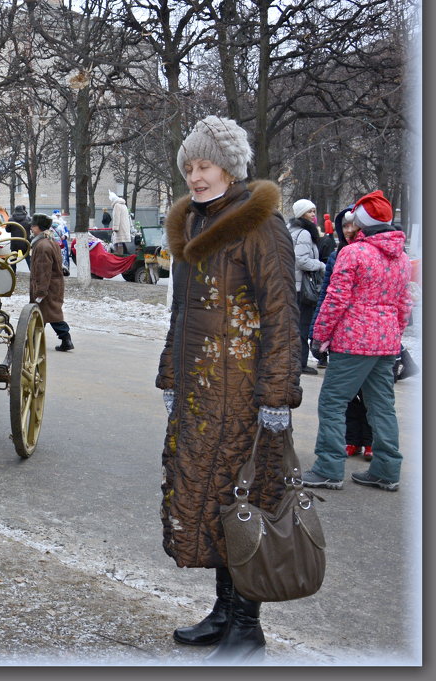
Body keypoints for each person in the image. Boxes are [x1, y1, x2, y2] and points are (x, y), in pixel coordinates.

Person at [155, 115, 303, 663]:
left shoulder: (259, 226)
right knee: (216, 502)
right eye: (189, 167)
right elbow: (179, 315)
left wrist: (277, 397)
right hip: (199, 395)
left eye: (205, 165)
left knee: (248, 503)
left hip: (244, 394)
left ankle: (248, 629)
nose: (195, 176)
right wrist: (170, 375)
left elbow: (283, 317)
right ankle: (223, 612)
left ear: (230, 167)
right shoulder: (193, 226)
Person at [302, 190, 412, 493]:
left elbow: (335, 299)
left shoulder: (353, 252)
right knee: (382, 406)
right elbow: (405, 304)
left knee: (333, 402)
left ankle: (328, 468)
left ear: (362, 223)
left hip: (353, 341)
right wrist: (394, 332)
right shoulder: (402, 257)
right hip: (386, 341)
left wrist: (320, 336)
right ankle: (387, 471)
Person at [287, 198, 326, 375]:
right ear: (301, 213)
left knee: (295, 326)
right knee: (302, 327)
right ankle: (300, 363)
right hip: (302, 288)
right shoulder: (304, 233)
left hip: (293, 286)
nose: (313, 215)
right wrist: (320, 265)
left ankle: (294, 361)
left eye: (314, 211)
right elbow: (301, 261)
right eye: (310, 211)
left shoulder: (292, 230)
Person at [27, 213, 73, 352]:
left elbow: (43, 270)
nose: (31, 228)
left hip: (47, 286)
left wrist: (41, 291)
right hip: (52, 285)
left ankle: (65, 339)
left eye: (33, 226)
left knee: (50, 314)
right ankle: (34, 340)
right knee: (46, 313)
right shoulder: (50, 241)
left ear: (38, 228)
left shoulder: (42, 246)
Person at [108, 191, 134, 256]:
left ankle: (118, 255)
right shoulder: (123, 205)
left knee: (118, 241)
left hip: (120, 227)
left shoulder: (117, 205)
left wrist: (115, 227)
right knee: (120, 242)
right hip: (124, 227)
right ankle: (119, 254)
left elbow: (116, 217)